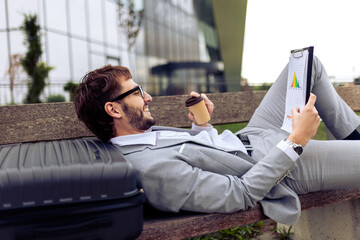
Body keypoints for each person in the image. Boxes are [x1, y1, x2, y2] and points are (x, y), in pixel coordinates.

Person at [73, 57, 360, 225]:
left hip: (252, 135)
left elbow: (200, 157)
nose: (147, 97)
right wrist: (297, 140)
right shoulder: (151, 172)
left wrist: (201, 125)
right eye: (136, 93)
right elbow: (241, 193)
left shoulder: (139, 135)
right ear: (113, 109)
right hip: (280, 167)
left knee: (306, 64)